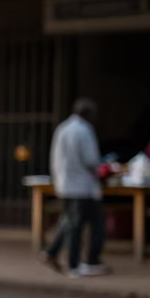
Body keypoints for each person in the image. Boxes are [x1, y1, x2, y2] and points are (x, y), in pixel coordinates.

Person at [41, 98, 109, 277]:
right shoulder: (84, 130)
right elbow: (91, 160)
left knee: (71, 221)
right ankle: (75, 264)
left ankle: (52, 252)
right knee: (80, 225)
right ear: (89, 114)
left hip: (66, 183)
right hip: (82, 186)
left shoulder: (63, 128)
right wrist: (104, 171)